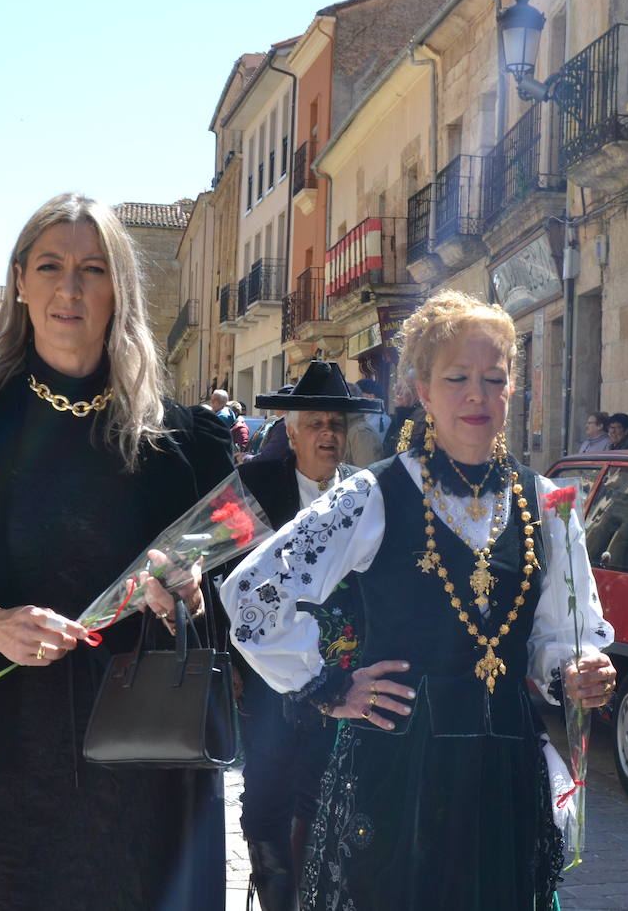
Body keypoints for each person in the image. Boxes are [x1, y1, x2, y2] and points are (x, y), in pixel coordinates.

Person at [0, 192, 233, 910]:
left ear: (119, 291)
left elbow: (216, 610)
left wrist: (188, 595)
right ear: (22, 282)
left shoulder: (182, 447)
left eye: (93, 269)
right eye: (51, 266)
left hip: (130, 771)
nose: (70, 288)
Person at [221, 290, 616, 910]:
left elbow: (561, 635)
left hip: (503, 765)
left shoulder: (548, 504)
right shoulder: (374, 495)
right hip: (398, 763)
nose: (477, 396)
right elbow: (251, 591)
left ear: (514, 388)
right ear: (423, 390)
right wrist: (328, 685)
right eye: (456, 377)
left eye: (494, 378)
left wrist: (576, 668)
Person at [233, 361, 381, 911]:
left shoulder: (364, 500)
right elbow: (217, 573)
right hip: (269, 678)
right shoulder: (252, 488)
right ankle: (275, 895)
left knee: (322, 793)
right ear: (290, 431)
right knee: (267, 792)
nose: (328, 435)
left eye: (337, 426)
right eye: (315, 423)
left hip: (340, 677)